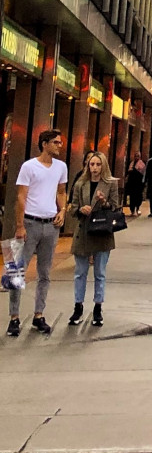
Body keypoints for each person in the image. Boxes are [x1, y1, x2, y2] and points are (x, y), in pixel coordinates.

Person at [7, 129, 68, 337]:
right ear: (44, 144)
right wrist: (19, 225)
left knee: (45, 273)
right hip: (30, 223)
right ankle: (14, 317)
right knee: (17, 271)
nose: (60, 145)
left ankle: (38, 315)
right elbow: (21, 197)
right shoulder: (29, 166)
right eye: (56, 142)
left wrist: (63, 210)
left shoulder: (61, 166)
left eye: (60, 142)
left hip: (51, 225)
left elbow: (61, 191)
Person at [67, 152, 119, 327]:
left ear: (103, 166)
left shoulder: (111, 183)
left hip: (102, 232)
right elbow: (72, 208)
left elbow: (115, 207)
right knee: (80, 272)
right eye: (91, 164)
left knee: (100, 273)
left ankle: (98, 307)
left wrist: (103, 203)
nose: (94, 168)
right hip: (84, 232)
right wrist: (81, 209)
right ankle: (78, 306)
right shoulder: (80, 183)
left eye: (98, 164)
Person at [125, 150, 146, 216]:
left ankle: (137, 208)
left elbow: (143, 173)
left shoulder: (142, 163)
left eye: (138, 156)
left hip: (138, 183)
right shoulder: (131, 163)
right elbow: (128, 172)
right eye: (135, 156)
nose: (136, 157)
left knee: (138, 196)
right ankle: (132, 210)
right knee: (132, 197)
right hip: (131, 183)